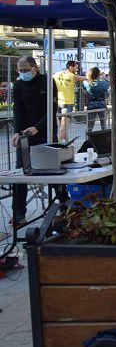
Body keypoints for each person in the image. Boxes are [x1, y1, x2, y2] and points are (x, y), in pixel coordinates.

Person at [10, 56, 55, 226]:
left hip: (46, 133)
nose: (23, 73)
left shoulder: (47, 82)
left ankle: (62, 206)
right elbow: (18, 110)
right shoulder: (18, 85)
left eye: (26, 70)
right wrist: (17, 132)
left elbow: (51, 109)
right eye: (20, 71)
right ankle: (19, 214)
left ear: (35, 68)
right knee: (21, 174)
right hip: (25, 134)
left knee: (54, 172)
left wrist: (38, 127)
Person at [54, 60, 86, 141]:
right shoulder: (72, 76)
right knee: (63, 127)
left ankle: (67, 143)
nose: (77, 70)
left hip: (59, 103)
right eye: (76, 68)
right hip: (68, 103)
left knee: (62, 127)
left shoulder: (57, 74)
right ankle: (58, 144)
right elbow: (85, 78)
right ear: (71, 67)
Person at [82, 67, 109, 131]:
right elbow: (108, 84)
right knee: (103, 126)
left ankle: (88, 139)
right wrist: (103, 77)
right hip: (101, 105)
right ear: (98, 74)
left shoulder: (86, 83)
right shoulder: (103, 83)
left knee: (89, 126)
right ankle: (104, 139)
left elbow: (84, 91)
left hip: (91, 105)